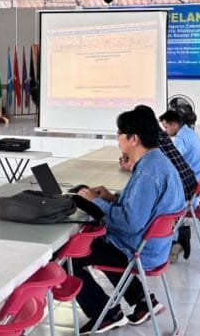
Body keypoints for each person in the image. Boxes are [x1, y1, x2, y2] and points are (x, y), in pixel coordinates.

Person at [71, 106, 185, 333]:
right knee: (99, 242)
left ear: (134, 139)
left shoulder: (146, 173)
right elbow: (139, 208)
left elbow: (129, 223)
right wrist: (111, 198)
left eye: (119, 134)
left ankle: (104, 314)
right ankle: (141, 300)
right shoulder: (155, 161)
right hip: (154, 247)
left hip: (138, 250)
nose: (117, 139)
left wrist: (97, 202)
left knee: (69, 256)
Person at [159, 108, 200, 261]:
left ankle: (174, 240)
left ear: (174, 124)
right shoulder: (189, 132)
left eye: (166, 127)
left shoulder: (181, 139)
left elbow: (169, 161)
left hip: (190, 188)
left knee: (159, 202)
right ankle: (179, 235)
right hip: (197, 183)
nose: (165, 131)